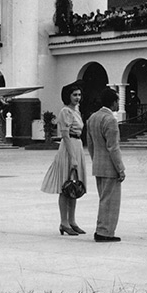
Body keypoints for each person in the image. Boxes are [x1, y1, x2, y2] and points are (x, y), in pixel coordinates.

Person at [40, 81, 88, 236]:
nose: (77, 98)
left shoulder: (76, 111)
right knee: (65, 187)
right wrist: (73, 157)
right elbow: (65, 135)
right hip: (69, 148)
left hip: (78, 145)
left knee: (75, 186)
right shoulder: (65, 112)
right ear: (68, 96)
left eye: (79, 95)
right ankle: (64, 222)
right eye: (74, 95)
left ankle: (72, 221)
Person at [86, 88, 125, 243]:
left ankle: (102, 229)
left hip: (98, 165)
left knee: (104, 199)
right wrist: (120, 168)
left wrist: (96, 159)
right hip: (110, 167)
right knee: (111, 201)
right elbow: (113, 147)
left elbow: (90, 145)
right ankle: (105, 232)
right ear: (113, 102)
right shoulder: (110, 120)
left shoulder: (92, 118)